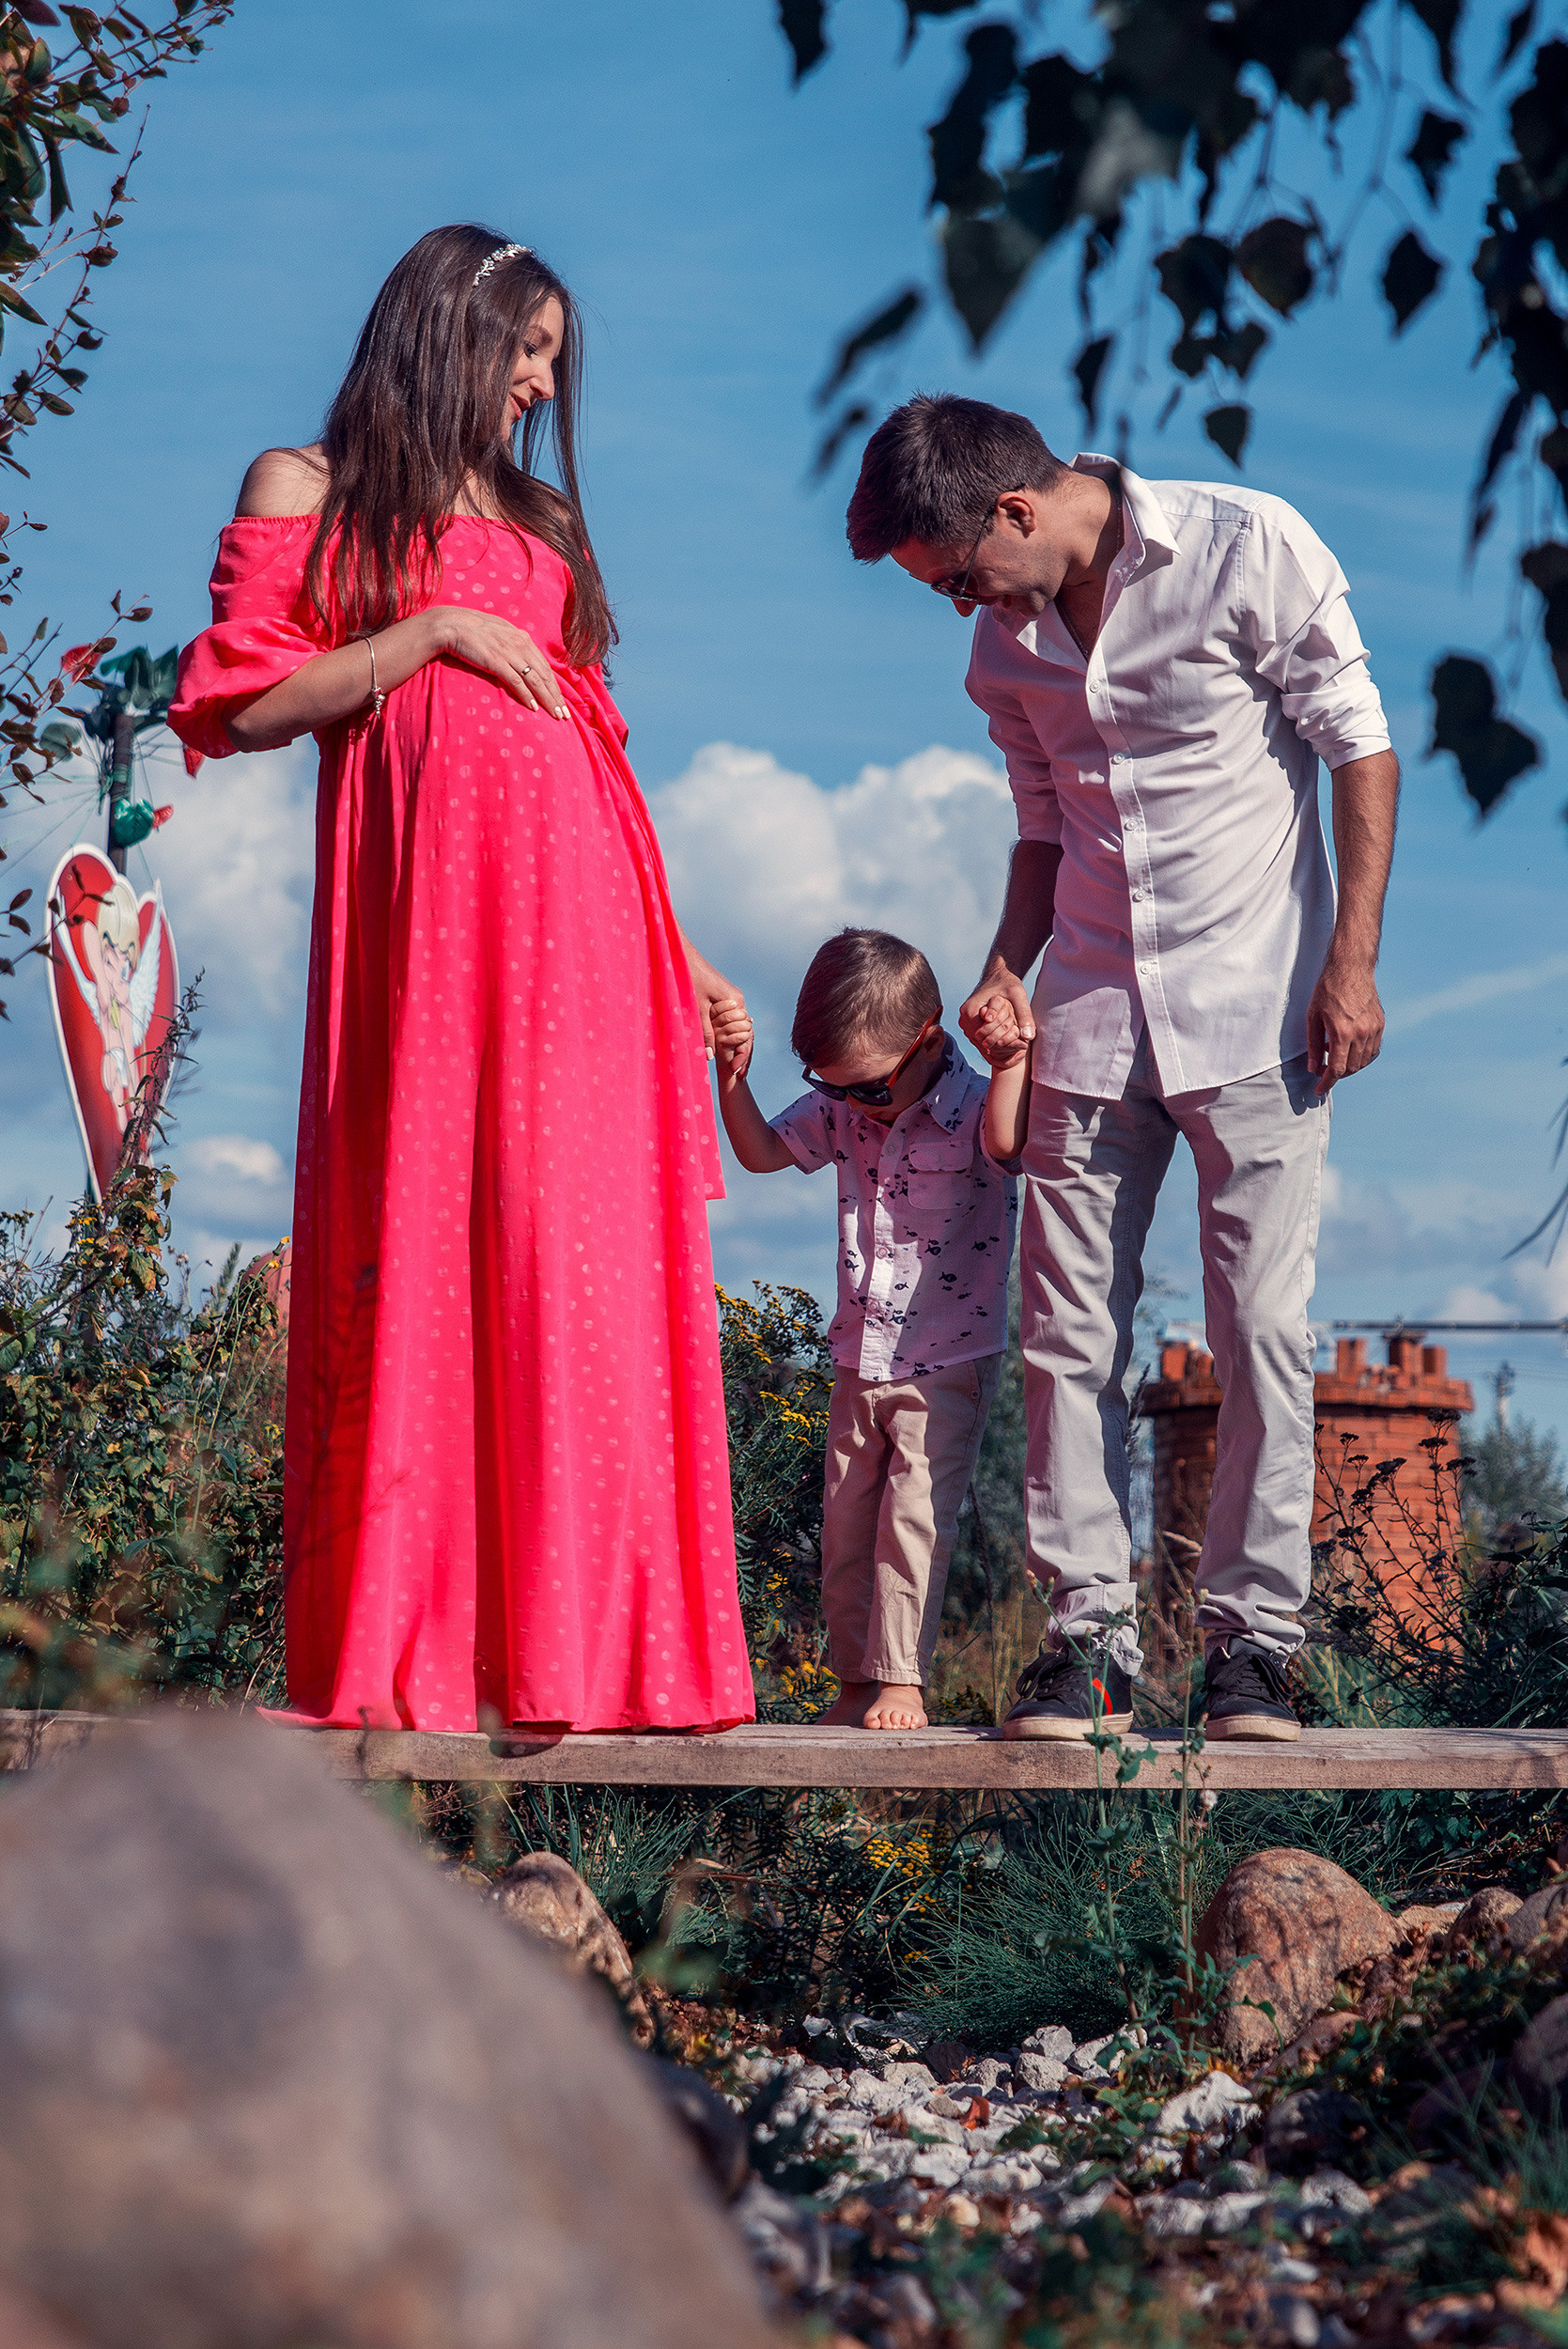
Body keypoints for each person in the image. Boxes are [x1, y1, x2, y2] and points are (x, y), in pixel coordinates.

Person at [168, 226, 755, 1735]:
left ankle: (599, 1651)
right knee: (434, 1229)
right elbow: (240, 702)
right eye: (528, 349)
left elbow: (598, 737)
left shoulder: (545, 515)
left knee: (576, 1248)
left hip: (588, 908)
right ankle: (436, 1650)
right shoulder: (307, 487)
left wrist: (674, 941)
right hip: (431, 917)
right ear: (448, 332)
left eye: (554, 356)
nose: (543, 383)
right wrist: (424, 627)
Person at [846, 395, 1399, 1744]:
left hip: (1259, 1009)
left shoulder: (1244, 544)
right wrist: (1002, 966)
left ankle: (1252, 1648)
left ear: (1018, 512)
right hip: (1089, 1015)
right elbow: (1042, 828)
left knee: (1260, 1329)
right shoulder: (1003, 649)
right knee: (1063, 1339)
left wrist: (1353, 962)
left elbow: (1360, 747)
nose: (959, 605)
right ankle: (1083, 1643)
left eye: (963, 573)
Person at [710, 927, 1018, 1730]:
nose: (854, 1104)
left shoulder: (981, 1106)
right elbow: (759, 1154)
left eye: (870, 1088)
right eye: (833, 1087)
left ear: (928, 1037)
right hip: (860, 1350)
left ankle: (901, 1677)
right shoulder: (845, 1106)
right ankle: (853, 1679)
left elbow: (1014, 1146)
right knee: (846, 1523)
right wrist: (730, 1079)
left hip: (948, 1355)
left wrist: (1013, 1061)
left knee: (912, 1519)